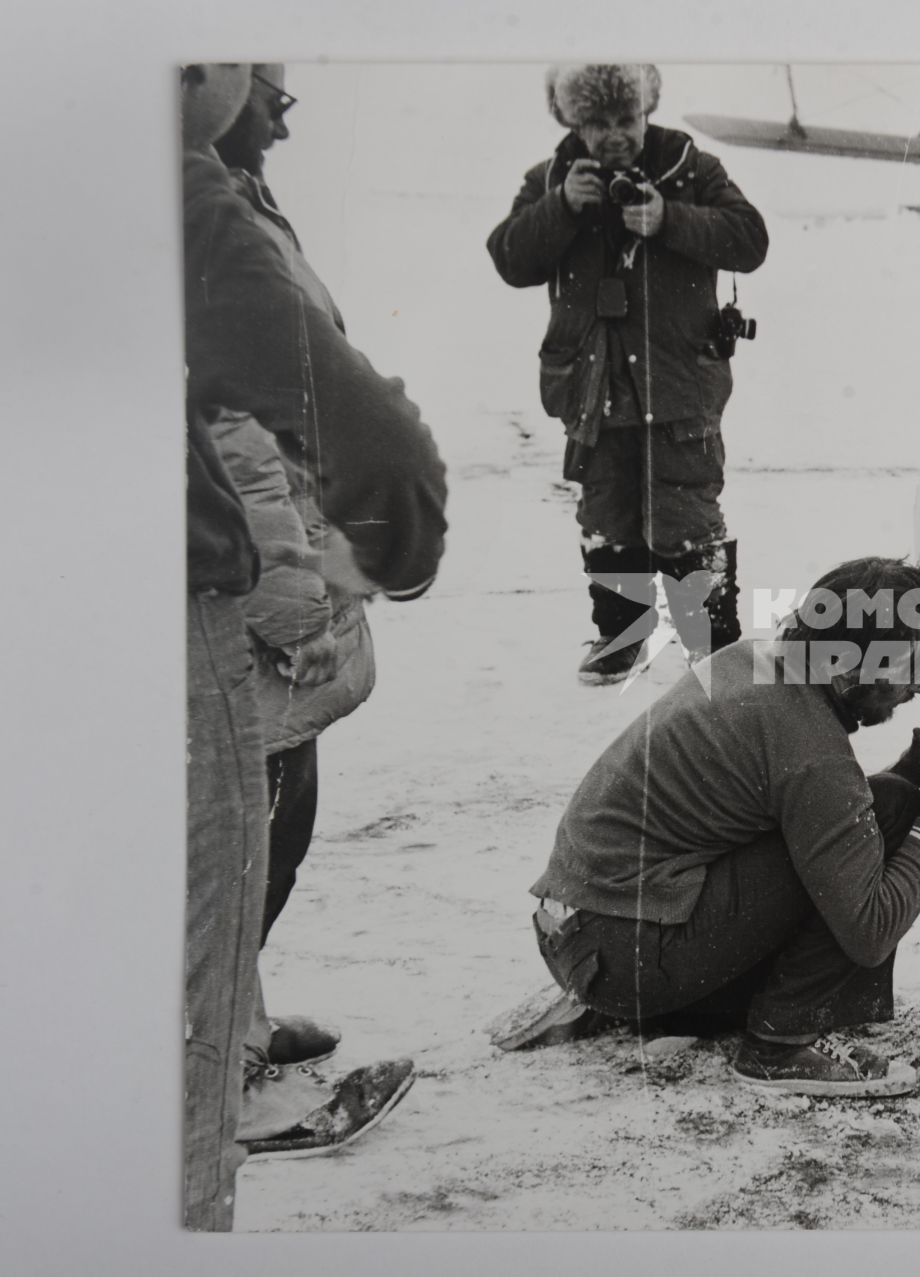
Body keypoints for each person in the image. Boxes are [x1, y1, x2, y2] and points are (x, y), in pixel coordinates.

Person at [182, 61, 446, 1225]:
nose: (285, 98)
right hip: (244, 558)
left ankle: (229, 1016)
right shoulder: (189, 204)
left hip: (275, 544)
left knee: (277, 812)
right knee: (229, 824)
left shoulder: (231, 188)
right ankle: (206, 1078)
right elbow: (249, 414)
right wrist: (320, 546)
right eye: (261, 78)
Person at [523, 557, 920, 1096]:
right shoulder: (809, 749)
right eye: (911, 668)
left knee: (885, 804)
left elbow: (801, 807)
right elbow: (869, 931)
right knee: (894, 812)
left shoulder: (756, 660)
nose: (919, 689)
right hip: (623, 957)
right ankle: (779, 1043)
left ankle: (652, 999)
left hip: (582, 936)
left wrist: (904, 775)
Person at [487, 64, 769, 684]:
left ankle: (715, 650)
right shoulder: (553, 179)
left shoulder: (691, 170)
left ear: (646, 112)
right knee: (606, 513)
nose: (615, 135)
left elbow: (750, 240)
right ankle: (620, 638)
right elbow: (509, 257)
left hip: (679, 385)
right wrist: (561, 209)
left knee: (687, 513)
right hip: (592, 387)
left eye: (626, 119)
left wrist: (672, 218)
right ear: (573, 122)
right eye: (598, 123)